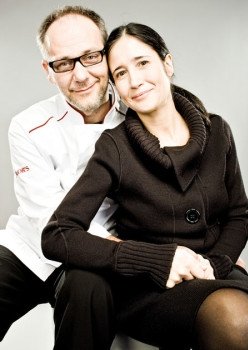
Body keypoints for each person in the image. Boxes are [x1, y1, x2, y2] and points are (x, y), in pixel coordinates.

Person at [42, 22, 248, 350]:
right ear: (115, 86)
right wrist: (153, 259)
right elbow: (58, 234)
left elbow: (239, 213)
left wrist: (218, 263)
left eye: (142, 63)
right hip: (149, 289)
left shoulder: (218, 130)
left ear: (167, 63)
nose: (135, 81)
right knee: (234, 319)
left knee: (241, 320)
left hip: (215, 276)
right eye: (121, 73)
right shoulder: (115, 146)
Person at [0, 6, 125, 350]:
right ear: (48, 71)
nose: (81, 75)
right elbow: (47, 217)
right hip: (29, 249)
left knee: (89, 291)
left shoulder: (137, 121)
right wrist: (125, 249)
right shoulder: (26, 124)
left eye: (90, 57)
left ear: (107, 55)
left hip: (96, 259)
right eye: (65, 63)